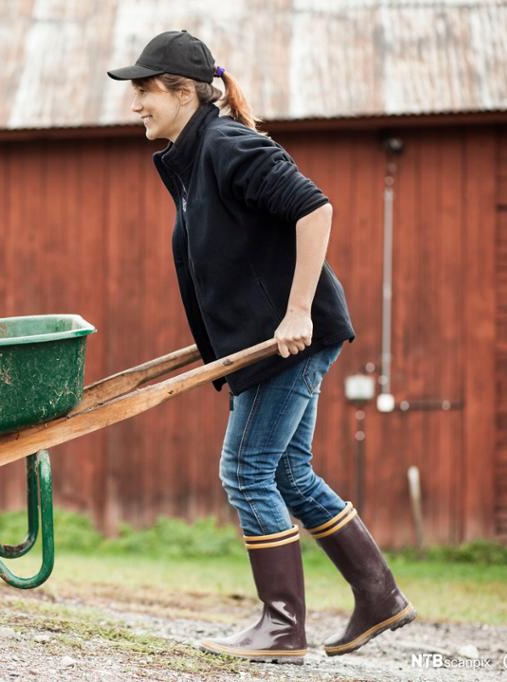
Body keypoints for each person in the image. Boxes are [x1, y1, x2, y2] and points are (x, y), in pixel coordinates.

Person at [107, 30, 415, 665]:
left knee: (246, 471)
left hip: (290, 340)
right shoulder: (191, 159)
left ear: (180, 92)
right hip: (270, 342)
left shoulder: (229, 145)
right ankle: (378, 595)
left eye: (143, 90)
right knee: (287, 474)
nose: (135, 103)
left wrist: (297, 310)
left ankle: (281, 627)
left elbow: (314, 209)